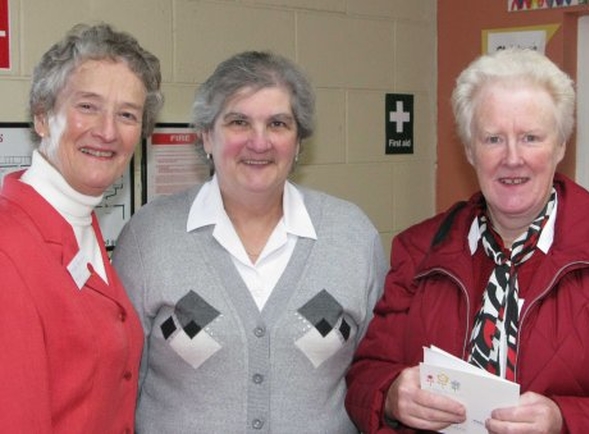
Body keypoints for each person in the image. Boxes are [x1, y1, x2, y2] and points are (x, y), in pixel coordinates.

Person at [345, 48, 589, 433]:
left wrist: (564, 422)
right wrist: (389, 395)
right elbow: (364, 374)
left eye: (531, 137)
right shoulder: (419, 251)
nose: (512, 158)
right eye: (493, 138)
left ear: (561, 146)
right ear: (470, 149)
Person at [112, 50, 387, 433]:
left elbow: (374, 375)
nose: (259, 143)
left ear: (299, 142)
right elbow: (119, 388)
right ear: (207, 135)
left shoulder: (351, 236)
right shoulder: (150, 238)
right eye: (239, 122)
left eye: (278, 124)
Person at [0, 23, 163, 432]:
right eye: (87, 106)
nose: (107, 131)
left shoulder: (80, 225)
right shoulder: (8, 248)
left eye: (127, 114)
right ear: (42, 116)